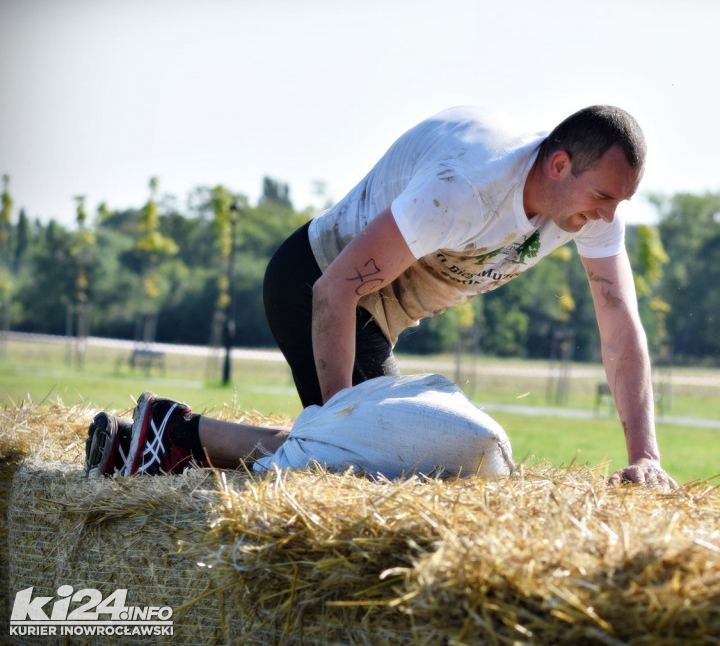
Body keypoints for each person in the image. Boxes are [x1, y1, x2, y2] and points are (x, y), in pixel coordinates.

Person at [84, 105, 676, 489]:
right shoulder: (464, 189)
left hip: (369, 309)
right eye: (602, 197)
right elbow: (335, 289)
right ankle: (179, 435)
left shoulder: (589, 204)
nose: (607, 215)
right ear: (559, 163)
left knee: (399, 458)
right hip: (315, 284)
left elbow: (620, 323)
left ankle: (169, 435)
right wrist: (346, 422)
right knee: (388, 459)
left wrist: (644, 455)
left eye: (618, 203)